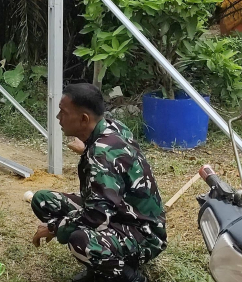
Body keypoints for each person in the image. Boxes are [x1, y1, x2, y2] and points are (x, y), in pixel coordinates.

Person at [31, 83, 166, 282]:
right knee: (43, 200)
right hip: (120, 210)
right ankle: (100, 266)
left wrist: (55, 227)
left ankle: (131, 276)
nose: (59, 118)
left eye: (63, 112)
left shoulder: (101, 156)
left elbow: (97, 216)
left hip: (143, 232)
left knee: (81, 241)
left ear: (84, 119)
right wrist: (86, 147)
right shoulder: (112, 126)